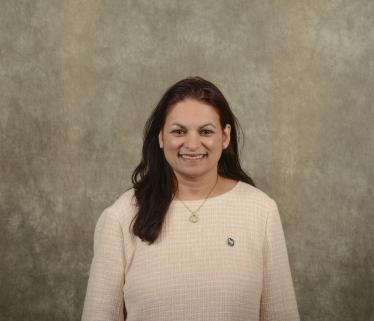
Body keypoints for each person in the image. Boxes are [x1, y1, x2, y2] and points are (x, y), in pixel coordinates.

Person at [81, 76, 300, 321]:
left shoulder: (261, 211)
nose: (192, 144)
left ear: (225, 137)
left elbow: (281, 314)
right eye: (179, 131)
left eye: (206, 131)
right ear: (162, 138)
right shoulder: (121, 216)